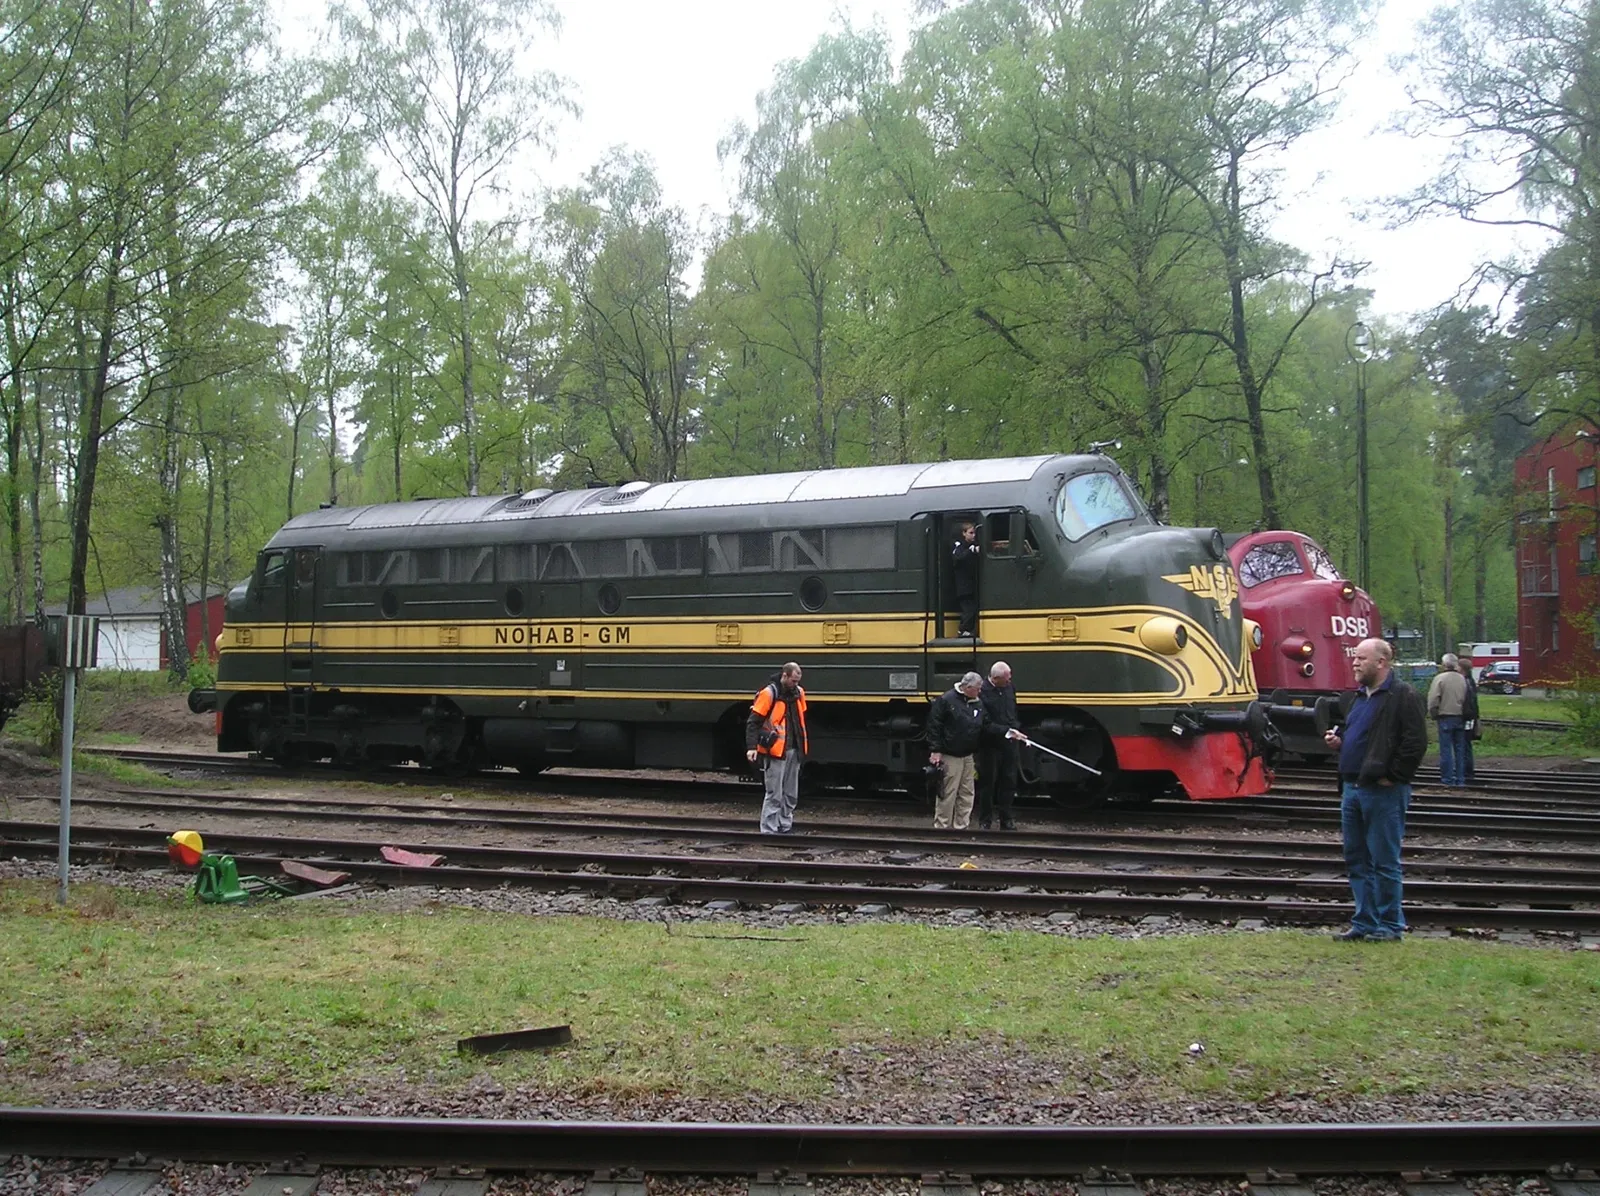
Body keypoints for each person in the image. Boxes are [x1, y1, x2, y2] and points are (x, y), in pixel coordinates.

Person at [1322, 637, 1428, 942]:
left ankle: (1390, 925)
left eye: (1361, 659)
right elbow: (1365, 739)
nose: (1354, 663)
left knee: (1383, 860)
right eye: (1354, 658)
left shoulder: (1402, 696)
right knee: (1357, 859)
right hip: (1353, 788)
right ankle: (1365, 921)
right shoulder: (1360, 697)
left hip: (1382, 791)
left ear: (1381, 662)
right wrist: (1339, 743)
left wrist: (1393, 776)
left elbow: (1415, 743)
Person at [746, 661, 808, 834]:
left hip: (793, 750)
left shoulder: (799, 693)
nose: (796, 685)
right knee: (774, 793)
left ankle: (784, 826)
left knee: (790, 793)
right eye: (793, 681)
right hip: (775, 751)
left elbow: (799, 720)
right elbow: (753, 722)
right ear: (785, 676)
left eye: (798, 681)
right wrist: (752, 747)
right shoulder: (769, 693)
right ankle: (769, 830)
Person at [926, 671, 987, 830]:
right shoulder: (946, 700)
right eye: (978, 689)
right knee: (948, 792)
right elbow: (935, 725)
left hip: (968, 754)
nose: (980, 692)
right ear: (968, 687)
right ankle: (942, 827)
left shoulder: (976, 702)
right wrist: (936, 750)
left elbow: (984, 724)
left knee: (967, 792)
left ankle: (962, 826)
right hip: (950, 754)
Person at [977, 660, 1027, 829]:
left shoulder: (1009, 688)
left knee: (1009, 780)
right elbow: (984, 723)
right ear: (996, 678)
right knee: (988, 782)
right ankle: (985, 820)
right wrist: (1006, 730)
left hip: (1009, 742)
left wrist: (1016, 728)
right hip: (989, 744)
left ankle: (1006, 818)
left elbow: (1012, 710)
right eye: (1006, 678)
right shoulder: (982, 692)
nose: (1010, 680)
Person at [1426, 653, 1469, 787]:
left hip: (1445, 716)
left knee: (1446, 750)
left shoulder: (1440, 679)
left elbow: (1433, 700)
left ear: (1444, 664)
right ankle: (1460, 779)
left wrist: (1434, 714)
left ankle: (1447, 779)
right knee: (1460, 749)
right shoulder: (1462, 679)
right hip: (1460, 716)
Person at [952, 522, 980, 637]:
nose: (973, 536)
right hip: (964, 587)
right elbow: (958, 558)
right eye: (971, 533)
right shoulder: (959, 547)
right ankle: (962, 630)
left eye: (975, 533)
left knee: (973, 609)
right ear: (964, 533)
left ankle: (969, 630)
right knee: (969, 610)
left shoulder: (974, 546)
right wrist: (971, 551)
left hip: (973, 585)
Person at [1461, 666, 1480, 785]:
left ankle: (1466, 770)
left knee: (1464, 744)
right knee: (1466, 744)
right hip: (1471, 717)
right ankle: (1468, 770)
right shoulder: (1471, 682)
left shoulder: (1465, 683)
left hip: (1466, 717)